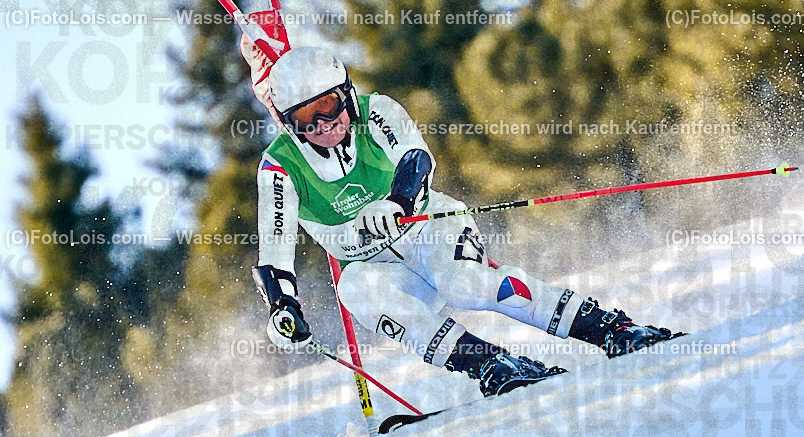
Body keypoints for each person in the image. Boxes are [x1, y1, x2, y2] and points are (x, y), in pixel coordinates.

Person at [242, 27, 677, 397]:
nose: (322, 126)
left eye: (328, 107)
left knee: (467, 284)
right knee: (353, 289)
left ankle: (609, 329)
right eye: (305, 119)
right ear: (286, 121)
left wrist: (396, 202)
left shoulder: (377, 111)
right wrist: (283, 305)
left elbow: (416, 159)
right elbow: (275, 248)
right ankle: (491, 365)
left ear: (347, 95)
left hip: (430, 230)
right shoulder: (279, 166)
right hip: (378, 268)